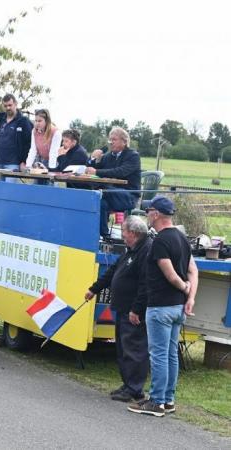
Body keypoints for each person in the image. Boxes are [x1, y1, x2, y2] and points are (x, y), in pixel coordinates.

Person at [128, 196, 198, 417]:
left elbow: (170, 275)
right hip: (178, 307)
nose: (147, 214)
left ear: (156, 214)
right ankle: (168, 400)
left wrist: (185, 289)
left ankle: (156, 402)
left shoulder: (159, 242)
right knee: (170, 355)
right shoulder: (182, 238)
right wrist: (190, 298)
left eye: (148, 211)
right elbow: (193, 271)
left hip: (160, 306)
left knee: (158, 355)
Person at [85, 216, 151, 402]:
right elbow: (113, 271)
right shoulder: (130, 250)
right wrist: (94, 289)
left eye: (124, 232)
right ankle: (128, 384)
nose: (122, 236)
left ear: (134, 233)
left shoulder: (145, 251)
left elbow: (144, 284)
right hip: (122, 307)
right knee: (122, 348)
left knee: (134, 349)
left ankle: (135, 389)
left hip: (133, 310)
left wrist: (136, 309)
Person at [85, 127, 141, 237]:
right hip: (110, 194)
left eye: (114, 139)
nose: (110, 142)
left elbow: (120, 172)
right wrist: (92, 159)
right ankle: (103, 236)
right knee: (99, 202)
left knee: (100, 192)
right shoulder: (107, 156)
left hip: (129, 195)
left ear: (124, 142)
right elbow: (92, 169)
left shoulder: (133, 156)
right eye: (110, 139)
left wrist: (96, 171)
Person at [0, 93, 33, 182]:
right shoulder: (1, 120)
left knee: (9, 192)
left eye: (10, 105)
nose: (8, 108)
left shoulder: (23, 121)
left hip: (13, 164)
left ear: (16, 104)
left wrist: (24, 161)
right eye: (5, 106)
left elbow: (29, 143)